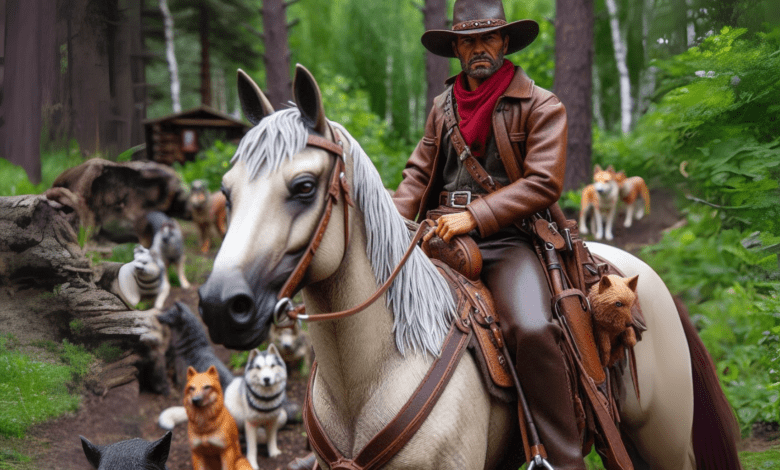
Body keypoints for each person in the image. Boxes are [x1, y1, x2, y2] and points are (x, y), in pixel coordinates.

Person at [391, 0, 585, 468]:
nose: (478, 48)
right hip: (438, 237)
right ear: (456, 47)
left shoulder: (541, 105)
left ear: (503, 41)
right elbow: (418, 176)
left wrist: (476, 216)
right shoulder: (443, 108)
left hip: (508, 241)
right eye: (467, 40)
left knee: (532, 328)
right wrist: (391, 227)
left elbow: (543, 183)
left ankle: (560, 458)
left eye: (487, 38)